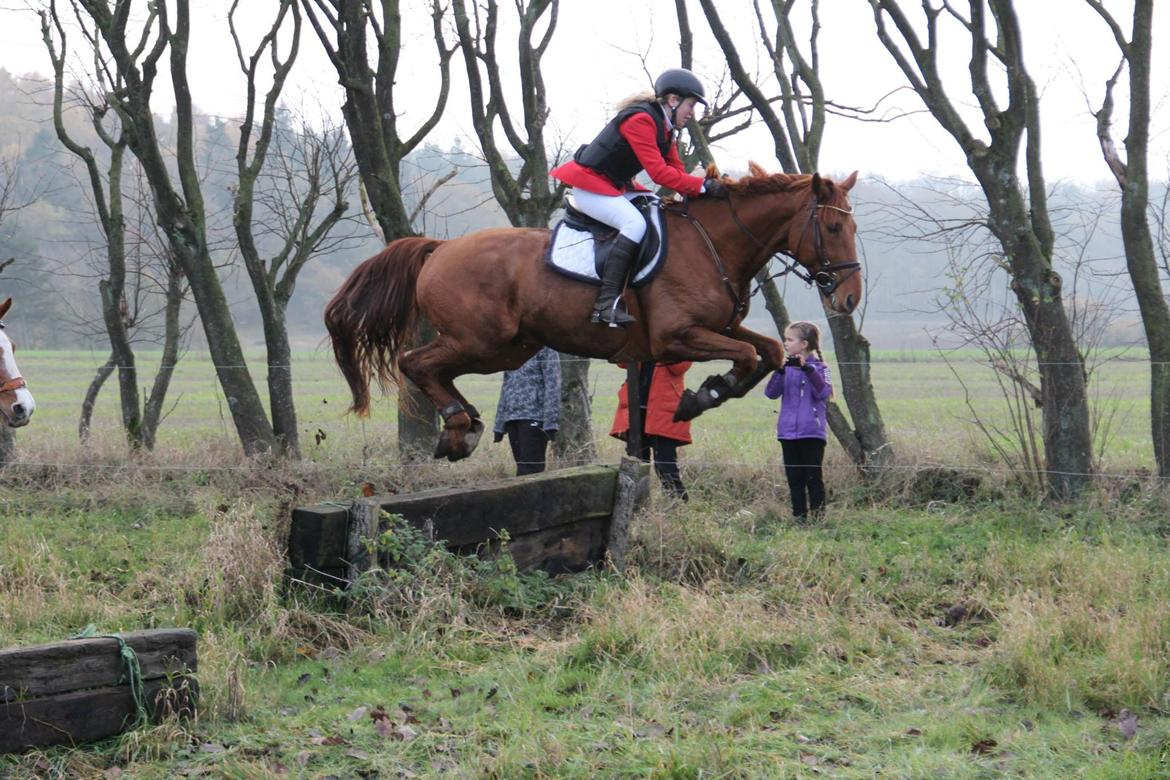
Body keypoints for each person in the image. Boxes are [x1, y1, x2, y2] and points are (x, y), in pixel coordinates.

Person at [550, 68, 730, 327]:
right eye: (690, 105)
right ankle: (605, 304)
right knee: (635, 224)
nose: (692, 113)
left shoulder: (665, 129)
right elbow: (659, 174)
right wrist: (702, 187)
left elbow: (676, 171)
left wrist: (703, 188)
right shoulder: (641, 120)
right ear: (672, 100)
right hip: (590, 186)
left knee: (657, 209)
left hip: (614, 185)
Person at [763, 322, 833, 521]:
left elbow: (824, 392)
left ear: (803, 344)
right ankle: (799, 517)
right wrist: (780, 371)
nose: (785, 343)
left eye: (789, 339)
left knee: (813, 477)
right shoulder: (786, 369)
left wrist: (808, 370)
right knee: (794, 479)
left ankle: (819, 517)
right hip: (787, 432)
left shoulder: (821, 368)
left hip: (812, 432)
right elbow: (770, 393)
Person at [611, 361, 692, 501]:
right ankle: (639, 506)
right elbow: (622, 361)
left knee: (665, 464)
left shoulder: (676, 340)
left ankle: (677, 505)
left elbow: (679, 367)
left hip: (664, 411)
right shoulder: (640, 338)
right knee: (637, 463)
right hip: (636, 410)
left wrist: (662, 343)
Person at [493, 347, 561, 476]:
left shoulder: (546, 348)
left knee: (530, 469)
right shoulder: (512, 349)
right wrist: (499, 425)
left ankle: (528, 496)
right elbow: (506, 386)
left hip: (535, 416)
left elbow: (553, 384)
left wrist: (551, 422)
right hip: (511, 418)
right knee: (521, 466)